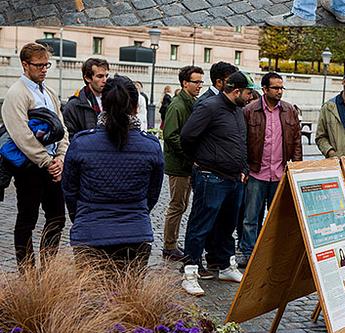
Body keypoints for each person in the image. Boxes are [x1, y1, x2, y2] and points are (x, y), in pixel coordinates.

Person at [61, 76, 163, 270]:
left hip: (90, 231)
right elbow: (152, 194)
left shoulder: (82, 143)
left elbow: (69, 190)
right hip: (135, 232)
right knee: (129, 298)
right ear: (136, 106)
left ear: (103, 104)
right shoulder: (150, 146)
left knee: (92, 297)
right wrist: (137, 211)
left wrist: (82, 215)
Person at [179, 71, 255, 296]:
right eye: (249, 93)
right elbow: (187, 137)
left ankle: (224, 265)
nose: (251, 97)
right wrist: (201, 160)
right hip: (210, 176)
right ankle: (189, 271)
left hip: (234, 178)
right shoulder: (209, 107)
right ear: (237, 91)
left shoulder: (238, 111)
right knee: (200, 224)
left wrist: (243, 168)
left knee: (227, 225)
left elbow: (240, 142)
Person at [1, 43, 69, 270]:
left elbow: (62, 128)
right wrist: (47, 161)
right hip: (29, 167)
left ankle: (48, 269)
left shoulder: (48, 92)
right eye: (39, 65)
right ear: (25, 64)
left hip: (52, 165)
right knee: (26, 220)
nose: (43, 69)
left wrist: (60, 157)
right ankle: (27, 272)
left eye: (46, 65)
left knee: (57, 218)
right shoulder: (17, 93)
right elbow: (21, 135)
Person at [239, 72, 302, 268]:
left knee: (277, 219)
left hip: (280, 173)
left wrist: (296, 168)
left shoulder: (290, 110)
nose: (279, 91)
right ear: (264, 89)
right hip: (257, 172)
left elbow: (297, 141)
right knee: (250, 218)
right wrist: (244, 168)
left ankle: (275, 254)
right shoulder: (250, 110)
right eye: (275, 88)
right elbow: (242, 141)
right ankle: (248, 253)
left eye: (281, 88)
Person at [161, 65, 203, 261]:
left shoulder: (190, 102)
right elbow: (170, 135)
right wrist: (190, 155)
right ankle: (169, 246)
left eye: (201, 82)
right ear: (185, 83)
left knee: (182, 204)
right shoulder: (177, 105)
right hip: (179, 165)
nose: (199, 85)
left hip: (186, 164)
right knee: (177, 205)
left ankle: (172, 244)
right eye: (196, 82)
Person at [62, 58, 110, 139]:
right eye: (100, 76)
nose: (105, 80)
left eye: (106, 76)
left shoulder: (113, 100)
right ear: (87, 78)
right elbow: (70, 137)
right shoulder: (74, 105)